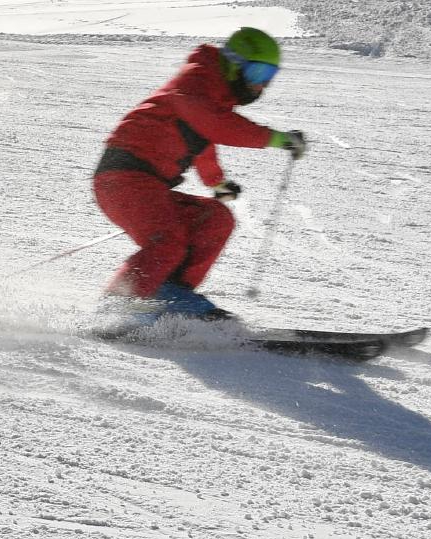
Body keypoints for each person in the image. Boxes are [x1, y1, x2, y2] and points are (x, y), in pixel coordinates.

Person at [93, 27, 307, 320]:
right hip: (123, 178)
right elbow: (217, 126)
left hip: (147, 183)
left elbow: (202, 144)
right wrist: (276, 139)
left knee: (215, 219)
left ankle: (168, 296)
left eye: (268, 77)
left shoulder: (212, 96)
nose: (261, 87)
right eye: (257, 74)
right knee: (168, 241)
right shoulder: (194, 83)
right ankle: (118, 306)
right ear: (234, 63)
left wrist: (217, 184)